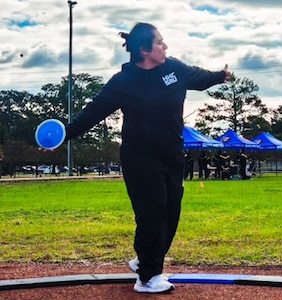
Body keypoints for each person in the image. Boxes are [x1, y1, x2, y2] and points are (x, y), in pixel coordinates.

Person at [63, 22, 231, 294]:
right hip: (139, 156)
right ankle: (147, 277)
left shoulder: (174, 68)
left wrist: (221, 75)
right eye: (160, 43)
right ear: (144, 50)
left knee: (171, 213)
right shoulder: (124, 81)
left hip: (172, 154)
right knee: (152, 213)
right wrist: (63, 135)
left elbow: (199, 76)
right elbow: (92, 113)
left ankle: (144, 259)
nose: (165, 47)